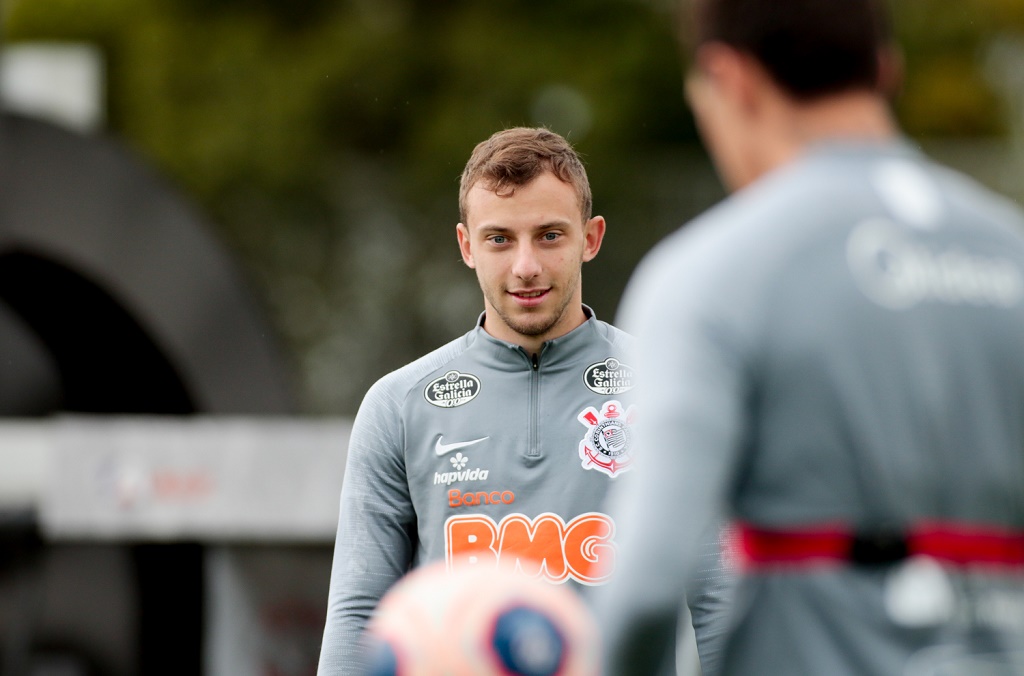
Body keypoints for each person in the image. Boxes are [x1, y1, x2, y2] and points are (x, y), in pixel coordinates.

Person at [594, 1, 1024, 674]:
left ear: (730, 79)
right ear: (887, 68)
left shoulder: (711, 273)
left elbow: (648, 584)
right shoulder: (1011, 251)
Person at [317, 127, 728, 675]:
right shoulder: (398, 404)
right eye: (500, 239)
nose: (525, 266)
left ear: (591, 237)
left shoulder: (665, 388)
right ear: (466, 246)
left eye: (550, 235)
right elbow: (358, 611)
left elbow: (720, 600)